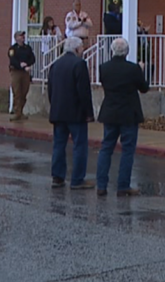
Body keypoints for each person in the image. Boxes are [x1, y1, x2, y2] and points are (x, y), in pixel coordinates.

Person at [96, 37, 149, 198]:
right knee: (127, 150)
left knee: (106, 148)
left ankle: (101, 185)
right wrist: (141, 70)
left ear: (112, 51)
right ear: (127, 52)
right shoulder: (133, 69)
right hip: (128, 114)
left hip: (110, 112)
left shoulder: (103, 68)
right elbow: (144, 88)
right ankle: (123, 185)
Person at [47, 36, 95, 190]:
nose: (83, 51)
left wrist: (53, 105)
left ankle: (58, 176)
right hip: (76, 113)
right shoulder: (79, 64)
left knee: (59, 145)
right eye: (81, 48)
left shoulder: (55, 65)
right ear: (76, 49)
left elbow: (50, 90)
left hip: (58, 111)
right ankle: (77, 179)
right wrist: (88, 112)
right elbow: (84, 91)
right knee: (79, 146)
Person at [8, 31, 36, 122]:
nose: (23, 37)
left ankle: (21, 111)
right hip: (16, 71)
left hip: (25, 73)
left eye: (23, 35)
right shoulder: (13, 49)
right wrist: (20, 65)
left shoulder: (27, 48)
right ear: (16, 38)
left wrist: (27, 64)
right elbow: (12, 60)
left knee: (24, 92)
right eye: (20, 35)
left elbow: (32, 58)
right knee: (17, 92)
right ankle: (17, 112)